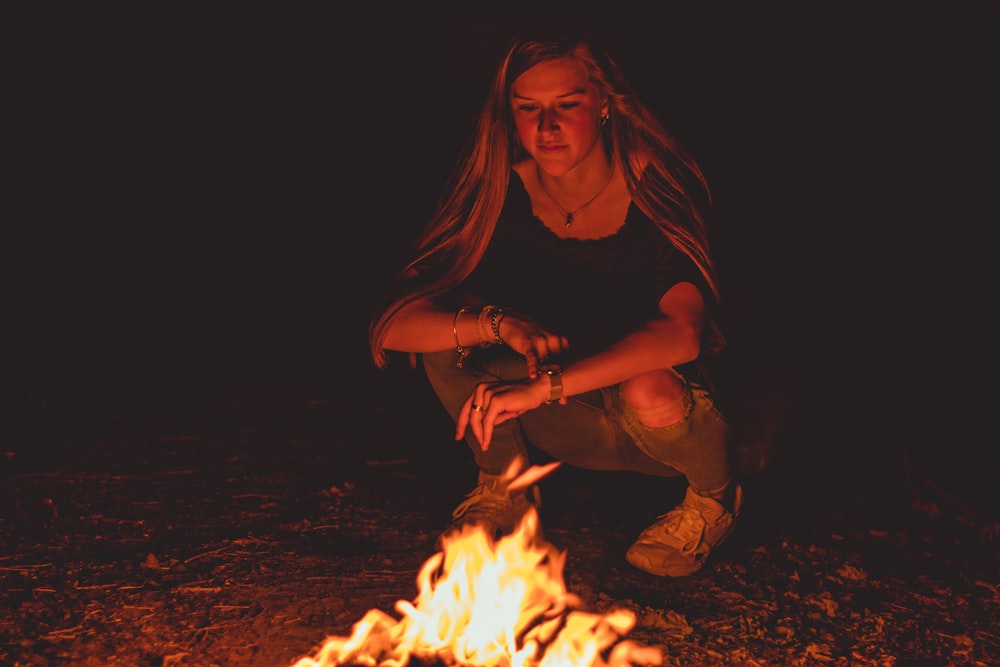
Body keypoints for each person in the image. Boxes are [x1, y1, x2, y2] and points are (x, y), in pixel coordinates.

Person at [368, 22, 741, 577]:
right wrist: (499, 325)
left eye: (566, 105)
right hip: (556, 414)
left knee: (649, 383)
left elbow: (681, 334)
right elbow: (393, 325)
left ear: (605, 104)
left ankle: (713, 499)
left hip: (653, 427)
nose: (546, 128)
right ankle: (503, 485)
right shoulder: (498, 189)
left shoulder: (657, 188)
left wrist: (546, 387)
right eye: (527, 108)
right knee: (451, 329)